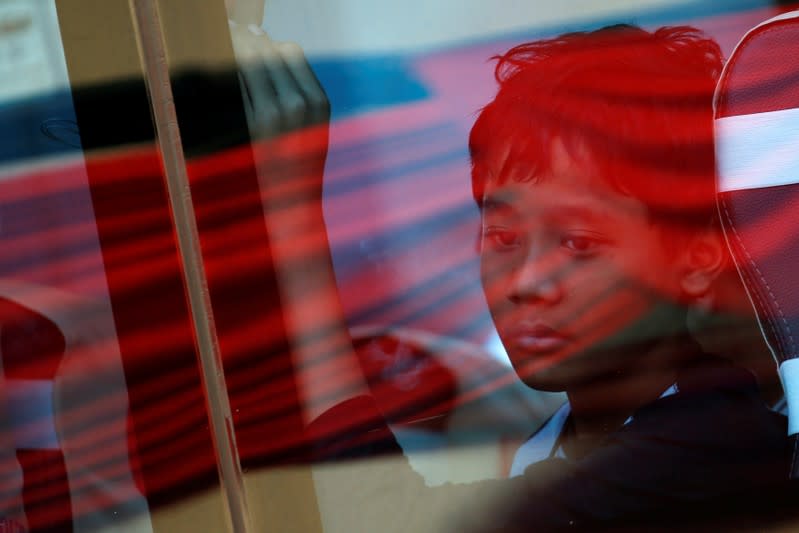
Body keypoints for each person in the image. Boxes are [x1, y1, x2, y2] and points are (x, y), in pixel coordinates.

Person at [236, 22, 795, 532]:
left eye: (578, 243)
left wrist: (290, 205)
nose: (524, 280)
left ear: (695, 261)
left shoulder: (713, 451)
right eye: (503, 238)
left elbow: (382, 518)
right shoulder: (561, 444)